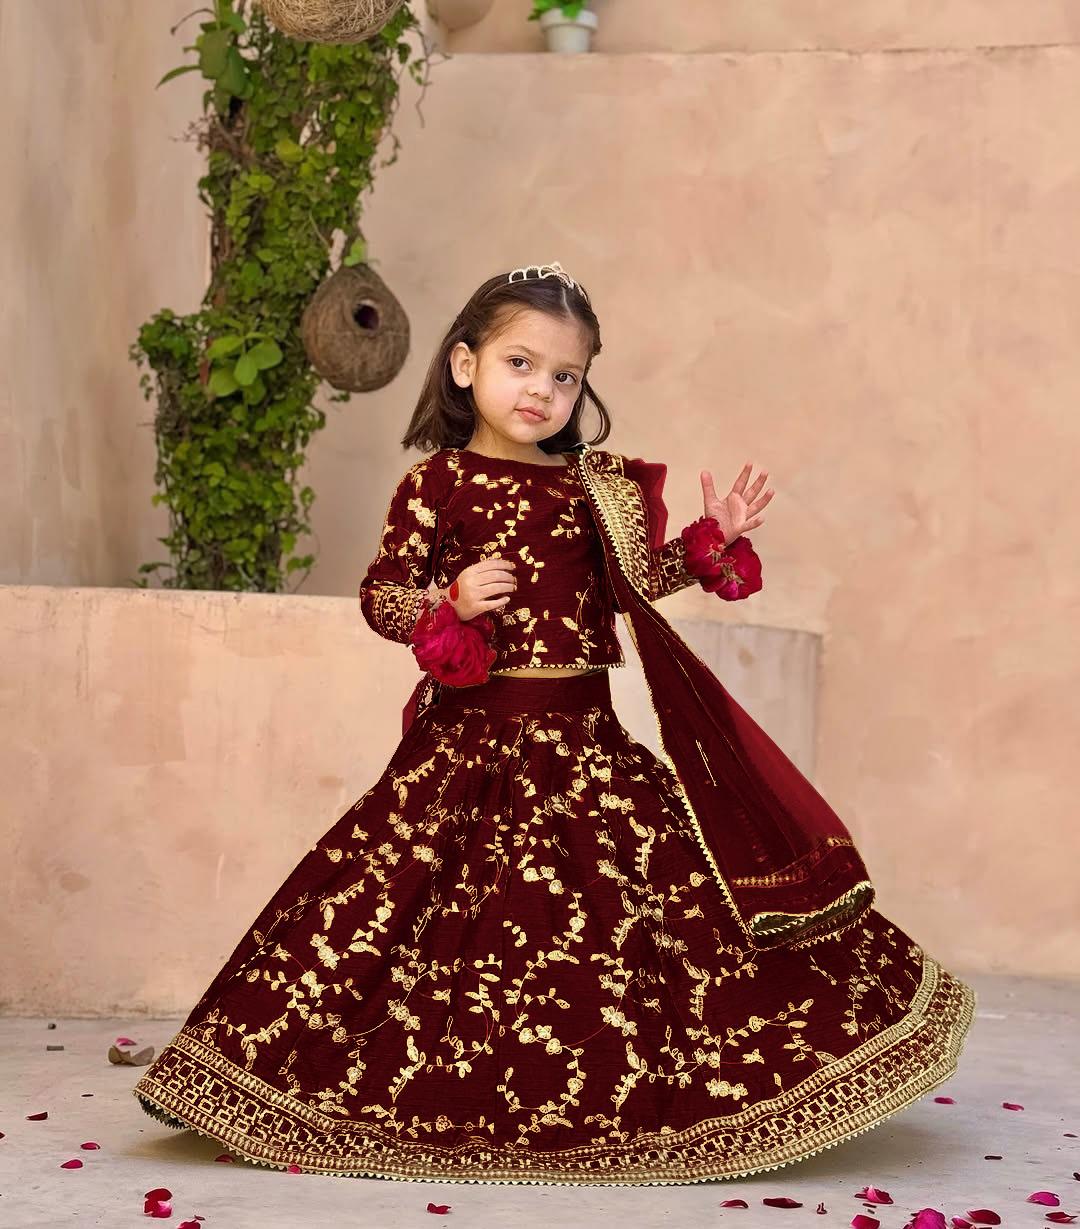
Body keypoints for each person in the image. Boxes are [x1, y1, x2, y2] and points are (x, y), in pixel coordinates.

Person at [133, 260, 976, 1185]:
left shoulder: (591, 487)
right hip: (466, 753)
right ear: (465, 365)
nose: (541, 389)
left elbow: (635, 584)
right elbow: (381, 595)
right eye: (520, 363)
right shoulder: (437, 484)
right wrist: (447, 601)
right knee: (407, 922)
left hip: (590, 752)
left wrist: (710, 541)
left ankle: (623, 1100)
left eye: (565, 375)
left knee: (632, 937)